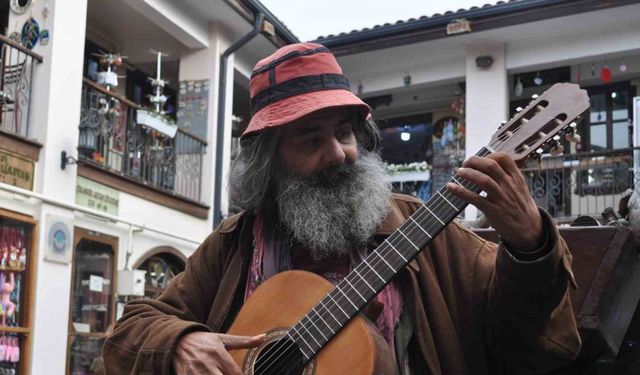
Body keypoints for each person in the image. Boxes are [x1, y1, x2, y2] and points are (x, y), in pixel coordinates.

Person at [103, 43, 580, 374]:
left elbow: (526, 341)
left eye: (345, 133)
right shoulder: (236, 244)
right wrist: (180, 343)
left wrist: (531, 246)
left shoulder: (419, 226)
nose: (338, 153)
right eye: (311, 139)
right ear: (270, 162)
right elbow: (130, 331)